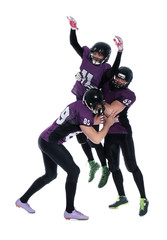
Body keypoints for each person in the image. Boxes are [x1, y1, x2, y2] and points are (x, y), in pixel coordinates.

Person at [15, 89, 118, 220]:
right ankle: (69, 211)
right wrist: (107, 125)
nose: (99, 107)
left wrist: (92, 122)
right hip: (51, 142)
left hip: (45, 139)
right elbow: (96, 139)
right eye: (97, 104)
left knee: (50, 175)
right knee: (74, 171)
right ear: (91, 104)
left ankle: (22, 201)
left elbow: (78, 121)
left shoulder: (80, 105)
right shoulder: (85, 114)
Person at [67, 16, 123, 188]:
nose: (97, 56)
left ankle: (105, 167)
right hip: (79, 98)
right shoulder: (85, 56)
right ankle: (92, 163)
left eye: (101, 54)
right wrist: (73, 29)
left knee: (94, 138)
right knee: (80, 135)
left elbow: (114, 70)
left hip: (93, 103)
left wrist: (120, 52)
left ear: (105, 57)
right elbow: (74, 44)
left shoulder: (105, 69)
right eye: (96, 52)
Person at [102, 66, 149, 216]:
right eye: (118, 77)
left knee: (131, 166)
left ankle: (143, 198)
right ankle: (122, 196)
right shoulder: (106, 85)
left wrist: (97, 97)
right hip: (108, 132)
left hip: (123, 132)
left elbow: (110, 110)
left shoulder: (129, 94)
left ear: (128, 81)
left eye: (123, 79)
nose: (119, 81)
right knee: (113, 167)